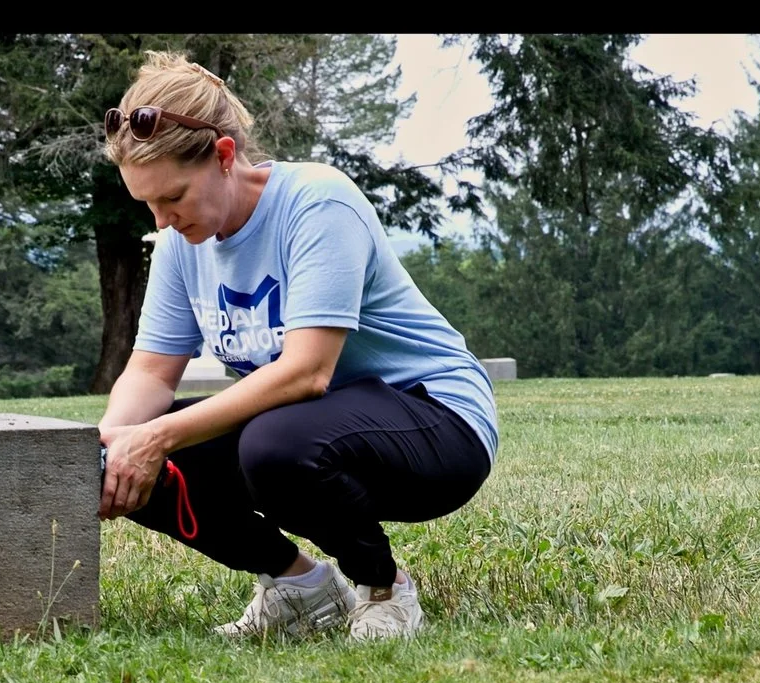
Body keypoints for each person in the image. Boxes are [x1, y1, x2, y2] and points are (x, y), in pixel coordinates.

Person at [95, 51, 499, 641]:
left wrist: (154, 437)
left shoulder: (317, 203)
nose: (161, 219)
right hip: (313, 426)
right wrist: (112, 446)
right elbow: (152, 373)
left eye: (173, 196)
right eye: (148, 204)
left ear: (224, 156)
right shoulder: (182, 243)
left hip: (437, 422)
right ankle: (300, 590)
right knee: (140, 461)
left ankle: (385, 590)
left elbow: (307, 372)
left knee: (270, 446)